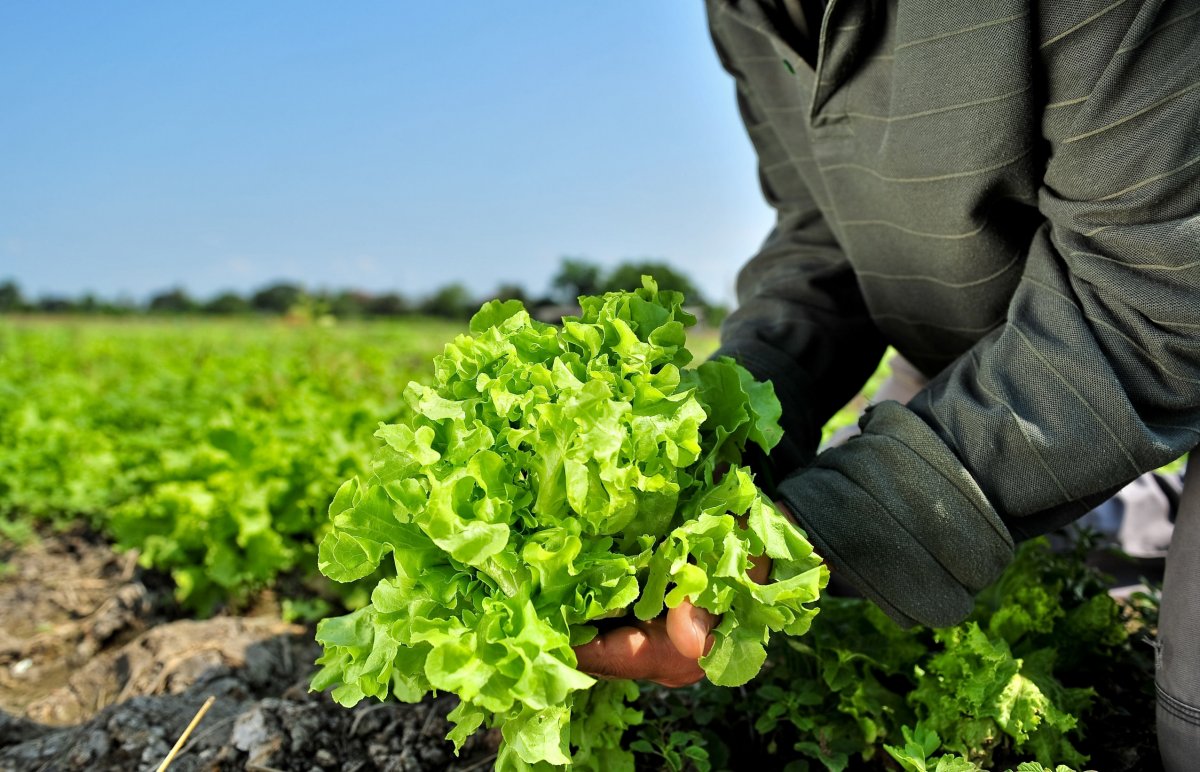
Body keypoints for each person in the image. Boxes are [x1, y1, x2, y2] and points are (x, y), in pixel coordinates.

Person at [573, 0, 1200, 766]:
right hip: (969, 343)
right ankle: (1120, 509)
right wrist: (711, 449)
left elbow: (1159, 302)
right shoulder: (741, 12)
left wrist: (824, 526)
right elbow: (821, 234)